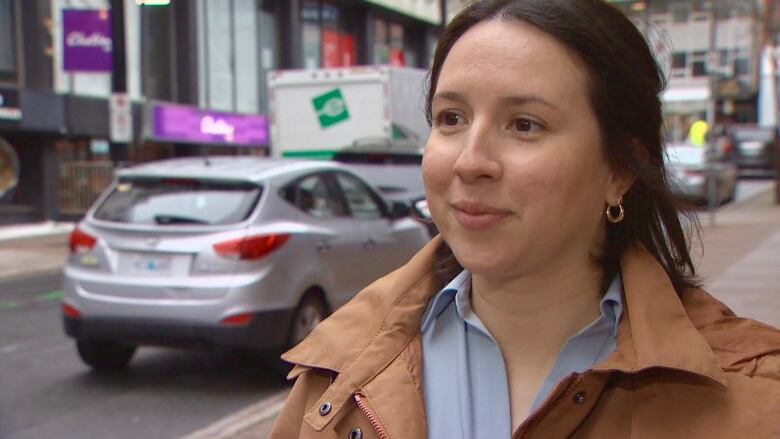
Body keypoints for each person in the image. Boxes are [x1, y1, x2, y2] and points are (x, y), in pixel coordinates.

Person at [270, 0, 780, 437]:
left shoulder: (752, 396)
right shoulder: (336, 376)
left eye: (524, 124)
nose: (470, 161)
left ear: (620, 169)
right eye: (452, 118)